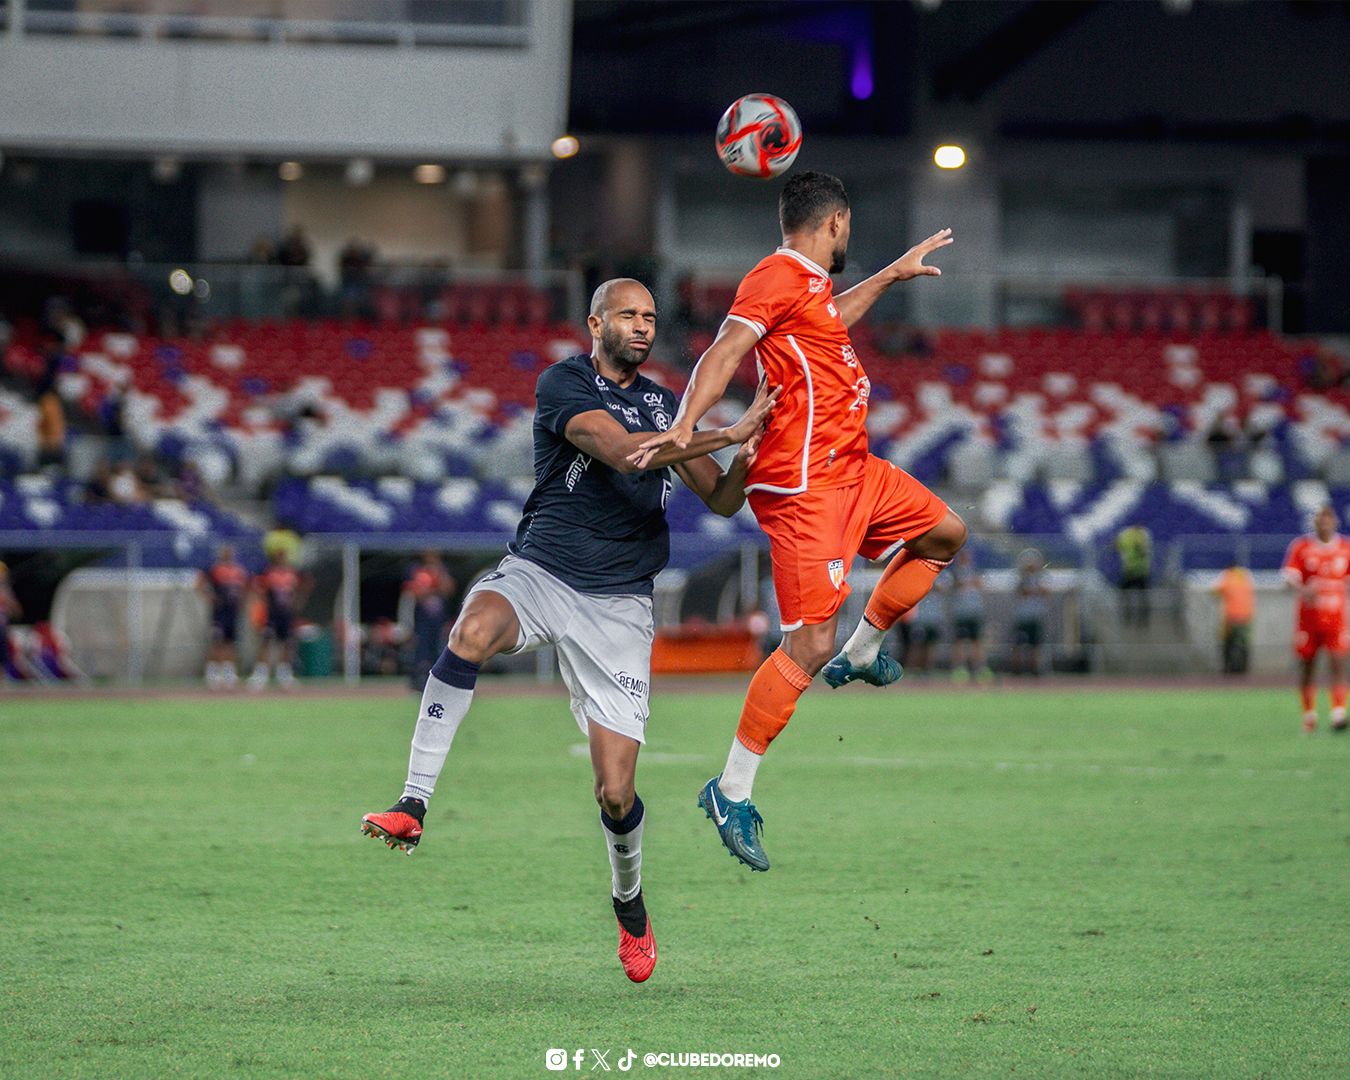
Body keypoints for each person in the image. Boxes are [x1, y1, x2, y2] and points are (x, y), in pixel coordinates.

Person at [359, 279, 778, 982]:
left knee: (616, 793)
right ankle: (412, 803)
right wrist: (722, 430)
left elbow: (724, 498)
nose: (642, 326)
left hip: (619, 605)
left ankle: (631, 906)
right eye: (628, 315)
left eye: (650, 317)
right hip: (543, 571)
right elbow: (621, 453)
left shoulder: (665, 404)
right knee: (472, 628)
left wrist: (754, 447)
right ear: (595, 322)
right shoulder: (563, 382)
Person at [631, 171, 964, 873]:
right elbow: (724, 350)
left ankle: (867, 651)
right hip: (808, 486)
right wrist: (685, 427)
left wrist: (891, 276)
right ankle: (730, 790)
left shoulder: (807, 288)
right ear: (836, 222)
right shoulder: (777, 275)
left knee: (945, 535)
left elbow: (831, 319)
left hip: (856, 469)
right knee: (809, 644)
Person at [1281, 505, 1350, 733]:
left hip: (1336, 618)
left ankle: (1338, 714)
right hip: (1308, 619)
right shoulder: (1301, 547)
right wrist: (1303, 589)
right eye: (1320, 520)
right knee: (1308, 667)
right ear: (1314, 523)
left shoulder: (1345, 548)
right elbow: (1289, 578)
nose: (1324, 524)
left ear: (1335, 522)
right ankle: (1309, 716)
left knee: (1338, 662)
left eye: (1328, 519)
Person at [249, 549, 308, 690]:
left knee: (287, 643)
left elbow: (304, 586)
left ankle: (284, 675)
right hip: (272, 614)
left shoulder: (292, 574)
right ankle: (260, 674)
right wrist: (263, 603)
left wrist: (298, 602)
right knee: (266, 642)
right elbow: (257, 587)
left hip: (286, 615)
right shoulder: (268, 573)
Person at [404, 551, 456, 691]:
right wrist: (430, 587)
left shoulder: (443, 568)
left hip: (439, 620)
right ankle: (418, 681)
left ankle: (442, 681)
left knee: (440, 651)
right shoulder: (415, 569)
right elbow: (415, 592)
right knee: (422, 650)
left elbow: (449, 589)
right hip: (422, 620)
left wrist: (437, 579)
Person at [199, 544, 248, 690]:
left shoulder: (239, 570)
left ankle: (229, 673)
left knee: (230, 642)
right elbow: (200, 583)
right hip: (219, 613)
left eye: (230, 552)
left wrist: (242, 601)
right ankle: (212, 674)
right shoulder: (214, 569)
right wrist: (211, 597)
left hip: (232, 612)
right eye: (226, 552)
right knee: (216, 642)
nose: (228, 555)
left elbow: (245, 587)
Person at [949, 548, 992, 683]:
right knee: (960, 642)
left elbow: (981, 584)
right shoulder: (955, 572)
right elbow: (956, 585)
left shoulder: (975, 571)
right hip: (961, 613)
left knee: (977, 642)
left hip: (974, 612)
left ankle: (979, 669)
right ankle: (959, 669)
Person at [1010, 549, 1049, 677]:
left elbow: (1046, 592)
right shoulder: (1021, 578)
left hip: (1036, 616)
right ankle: (1017, 670)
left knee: (1036, 645)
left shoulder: (1042, 577)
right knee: (1018, 644)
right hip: (1022, 616)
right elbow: (1022, 591)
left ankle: (1035, 670)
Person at [1212, 561, 1254, 676]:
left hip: (1231, 617)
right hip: (1246, 617)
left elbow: (1215, 591)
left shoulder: (1227, 576)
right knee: (1243, 643)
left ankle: (1227, 669)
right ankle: (1243, 669)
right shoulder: (1245, 576)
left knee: (1227, 643)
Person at [1116, 524, 1152, 626]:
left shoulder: (1126, 535)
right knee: (1141, 596)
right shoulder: (1144, 535)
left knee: (1127, 595)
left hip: (1132, 570)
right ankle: (1141, 619)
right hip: (1140, 570)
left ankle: (1129, 617)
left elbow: (1117, 545)